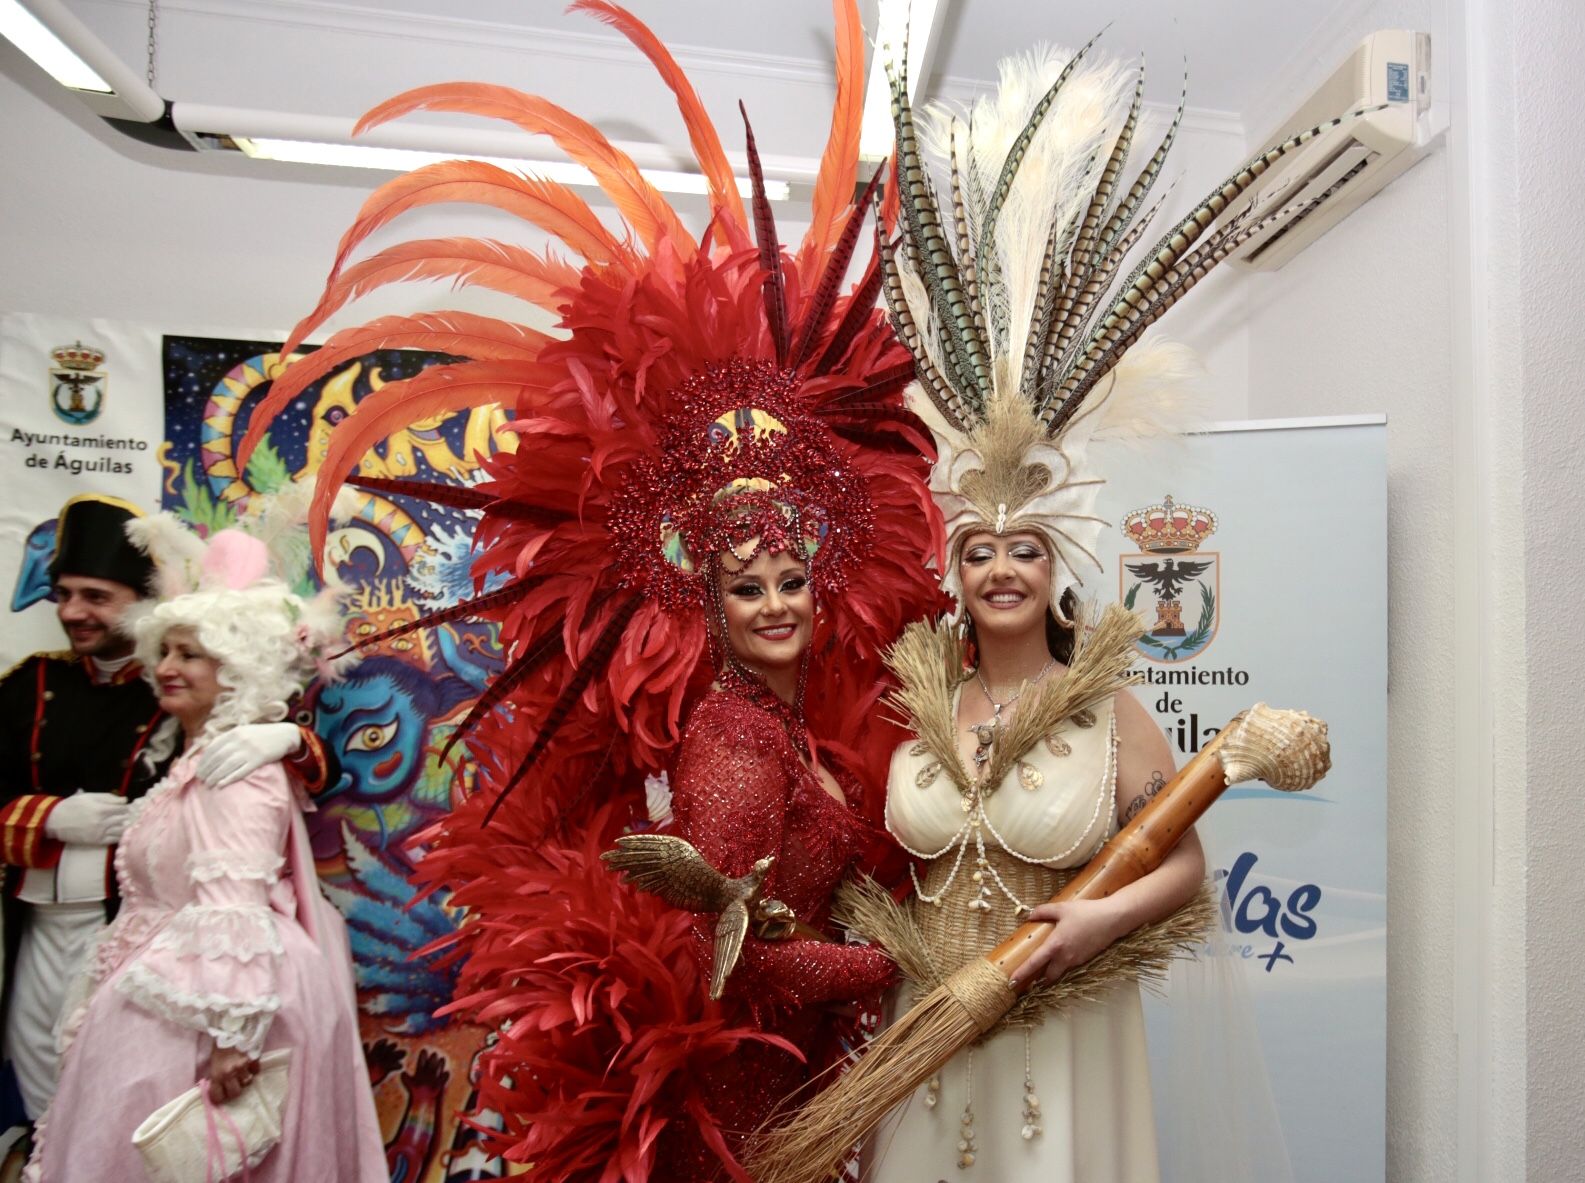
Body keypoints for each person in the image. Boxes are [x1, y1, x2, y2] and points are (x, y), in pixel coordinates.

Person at [234, 4, 944, 1177]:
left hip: (783, 1074)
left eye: (790, 581)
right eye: (748, 584)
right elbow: (732, 954)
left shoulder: (781, 728)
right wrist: (897, 960)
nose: (774, 603)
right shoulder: (730, 739)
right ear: (703, 602)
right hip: (743, 1082)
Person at [24, 513, 385, 1182]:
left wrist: (229, 1036)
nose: (164, 667)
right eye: (165, 650)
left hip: (213, 1001)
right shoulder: (197, 755)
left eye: (190, 654)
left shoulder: (235, 764)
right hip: (182, 991)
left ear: (236, 667)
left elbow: (233, 902)